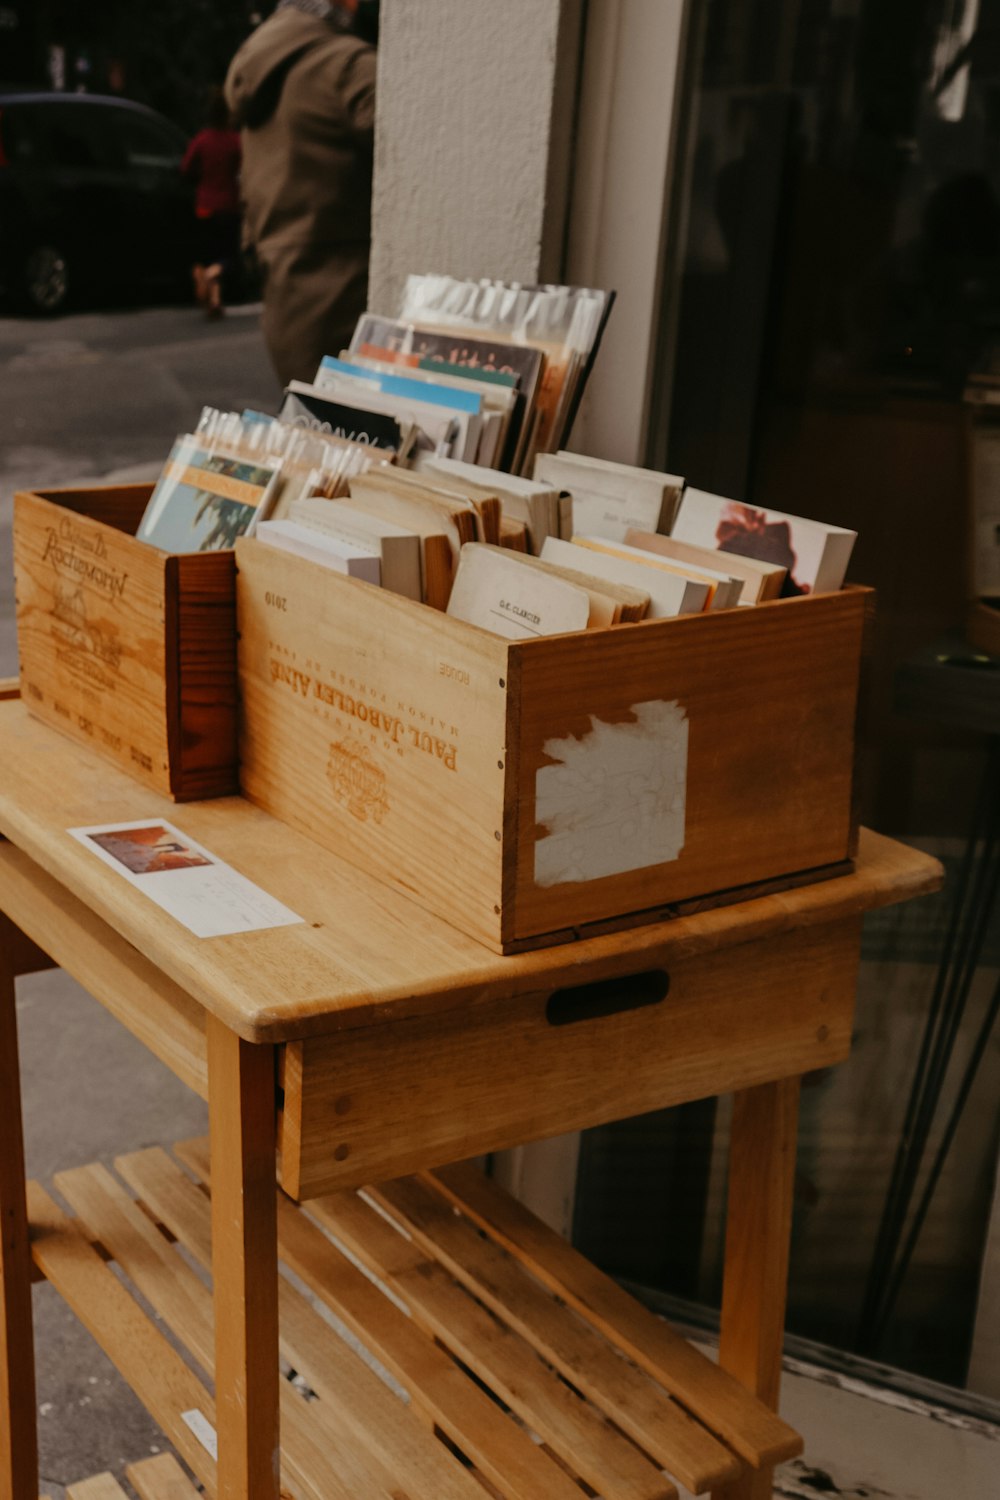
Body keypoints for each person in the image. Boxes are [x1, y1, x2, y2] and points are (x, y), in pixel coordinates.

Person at [224, 0, 377, 386]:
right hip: (347, 298)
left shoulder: (258, 63)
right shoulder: (348, 67)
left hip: (285, 297)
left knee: (317, 433)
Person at [181, 89, 243, 318]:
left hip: (204, 205)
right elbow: (245, 169)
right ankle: (210, 277)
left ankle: (214, 299)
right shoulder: (234, 141)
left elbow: (185, 167)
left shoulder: (202, 139)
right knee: (228, 256)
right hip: (228, 205)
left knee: (209, 252)